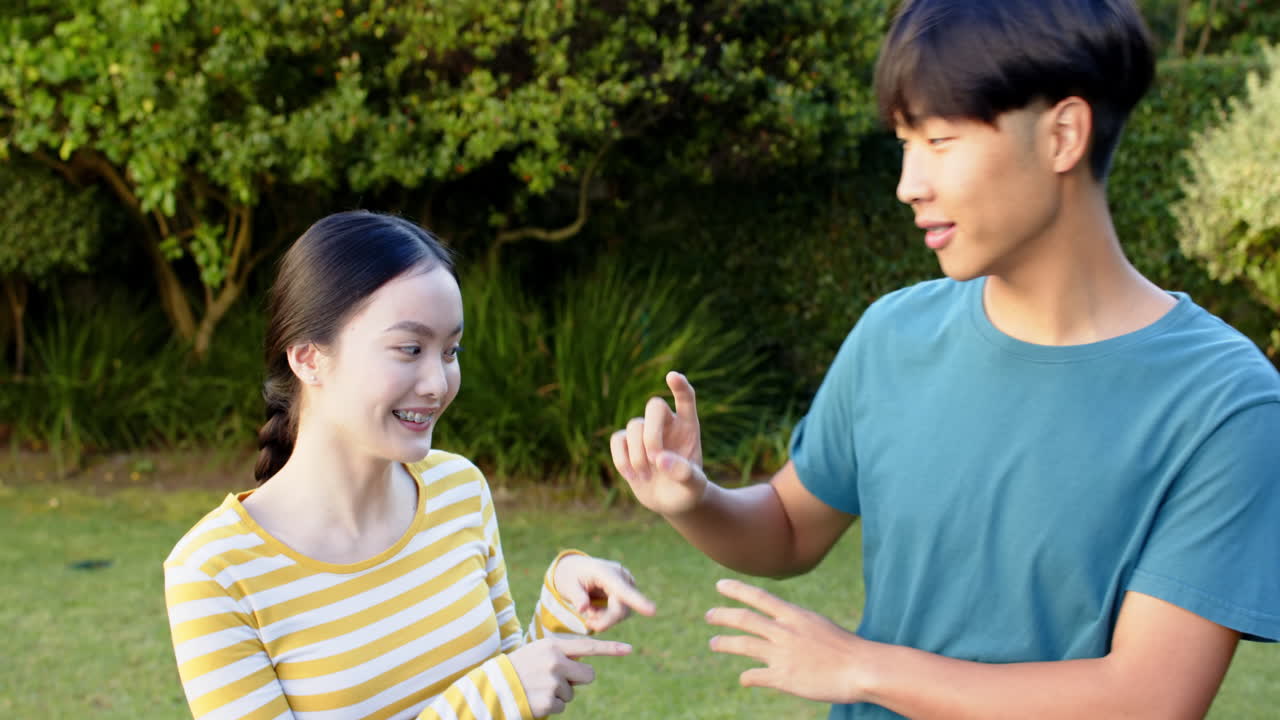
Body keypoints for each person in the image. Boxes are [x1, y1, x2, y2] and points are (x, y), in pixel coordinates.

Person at [609, 1, 1280, 718]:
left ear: (1062, 135)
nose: (908, 184)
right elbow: (791, 526)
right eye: (905, 142)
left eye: (939, 140)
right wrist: (698, 501)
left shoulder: (1225, 404)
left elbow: (1147, 701)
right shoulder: (894, 335)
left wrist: (864, 668)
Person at [164, 210, 655, 720]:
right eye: (410, 349)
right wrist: (491, 699)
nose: (438, 384)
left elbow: (510, 691)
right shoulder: (215, 572)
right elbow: (493, 699)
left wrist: (563, 603)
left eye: (450, 350)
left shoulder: (459, 489)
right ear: (308, 357)